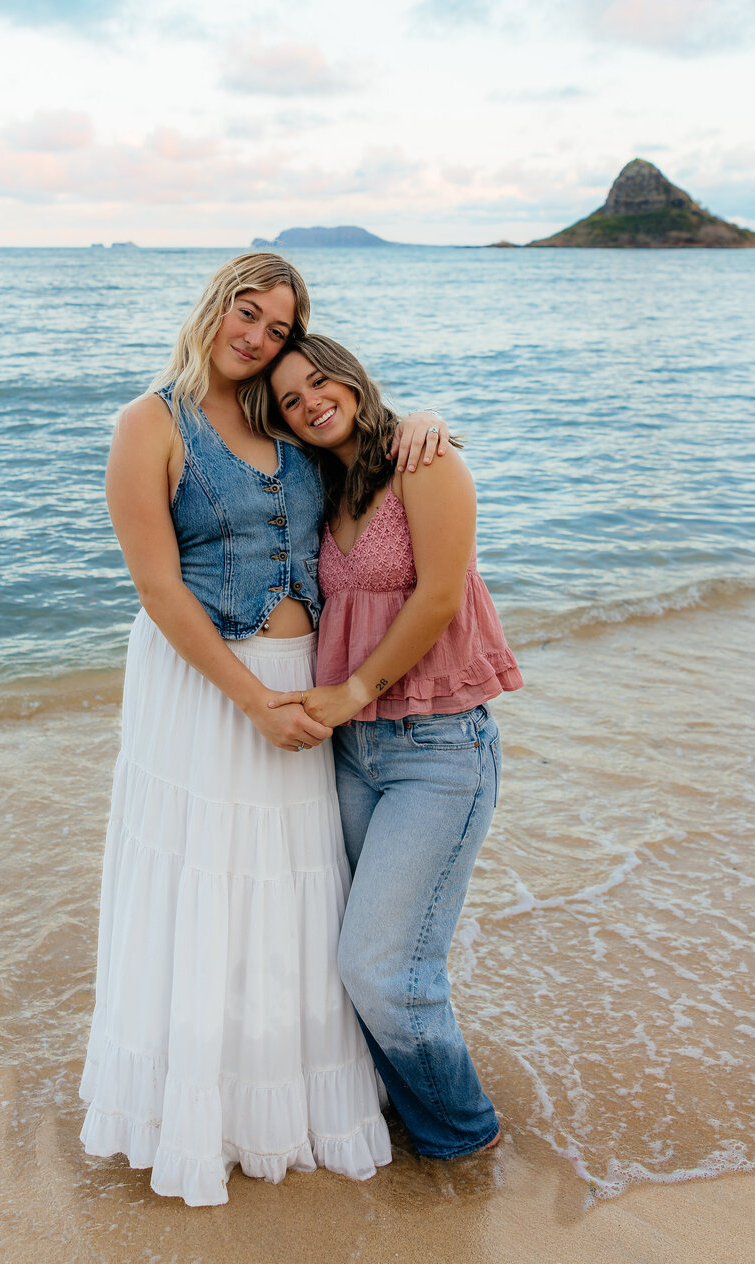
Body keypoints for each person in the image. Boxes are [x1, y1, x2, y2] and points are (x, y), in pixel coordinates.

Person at [79, 253, 448, 1206]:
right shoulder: (147, 424)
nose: (258, 337)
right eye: (249, 314)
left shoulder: (284, 417)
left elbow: (366, 448)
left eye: (280, 330)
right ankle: (201, 1109)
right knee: (204, 875)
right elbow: (157, 586)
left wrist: (421, 423)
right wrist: (249, 698)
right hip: (205, 688)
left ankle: (293, 1103)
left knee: (294, 888)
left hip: (308, 682)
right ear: (216, 306)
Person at [260, 333, 522, 1162]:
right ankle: (411, 1113)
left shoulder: (426, 462)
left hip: (439, 749)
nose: (310, 403)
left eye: (317, 382)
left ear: (351, 374)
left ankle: (461, 1137)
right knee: (359, 956)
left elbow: (441, 594)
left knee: (382, 965)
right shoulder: (326, 488)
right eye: (291, 402)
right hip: (355, 757)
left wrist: (355, 692)